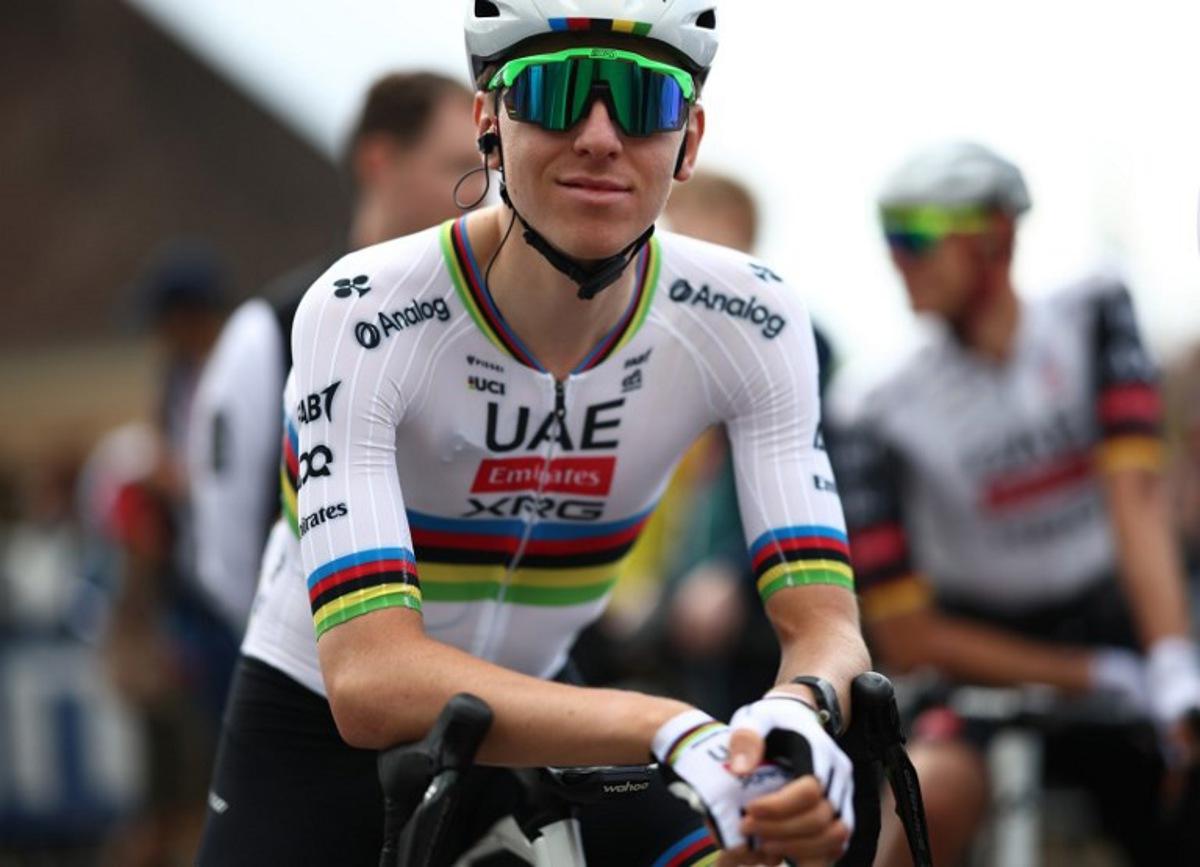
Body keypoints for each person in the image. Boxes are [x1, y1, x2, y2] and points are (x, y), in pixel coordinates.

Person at [197, 3, 870, 865]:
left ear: (689, 140)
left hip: (553, 709)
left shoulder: (753, 317)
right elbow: (370, 683)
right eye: (552, 92)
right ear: (489, 122)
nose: (598, 136)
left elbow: (826, 627)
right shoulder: (365, 309)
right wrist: (665, 724)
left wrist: (794, 716)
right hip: (317, 721)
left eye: (644, 99)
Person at [827, 141, 1200, 866]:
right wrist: (1085, 675)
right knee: (925, 797)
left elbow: (1137, 498)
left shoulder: (1092, 309)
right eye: (888, 236)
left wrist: (1169, 659)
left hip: (1115, 617)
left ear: (994, 237)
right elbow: (904, 631)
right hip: (978, 653)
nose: (898, 259)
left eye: (917, 236)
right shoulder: (871, 406)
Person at [186, 72, 480, 633]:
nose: (479, 189)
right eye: (455, 166)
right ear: (379, 162)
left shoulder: (491, 320)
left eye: (484, 165)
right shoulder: (271, 327)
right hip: (311, 676)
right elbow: (225, 551)